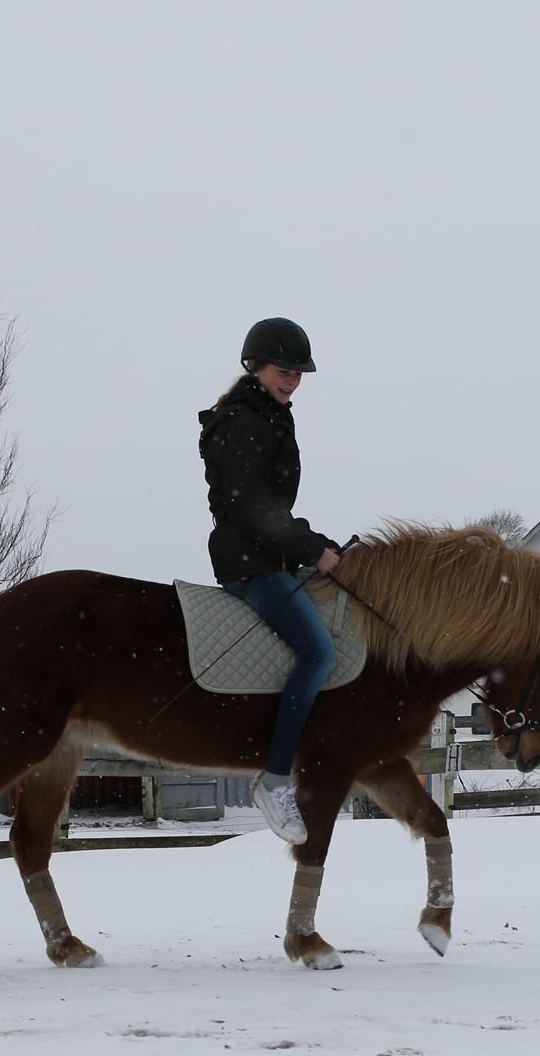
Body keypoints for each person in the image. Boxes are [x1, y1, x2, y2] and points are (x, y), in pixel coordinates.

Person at [198, 317, 342, 844]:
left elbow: (273, 508)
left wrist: (318, 546)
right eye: (284, 371)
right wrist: (311, 549)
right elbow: (254, 507)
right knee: (318, 653)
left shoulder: (271, 415)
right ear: (255, 367)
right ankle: (276, 778)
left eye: (299, 373)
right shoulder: (242, 421)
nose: (292, 381)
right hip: (251, 564)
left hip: (272, 554)